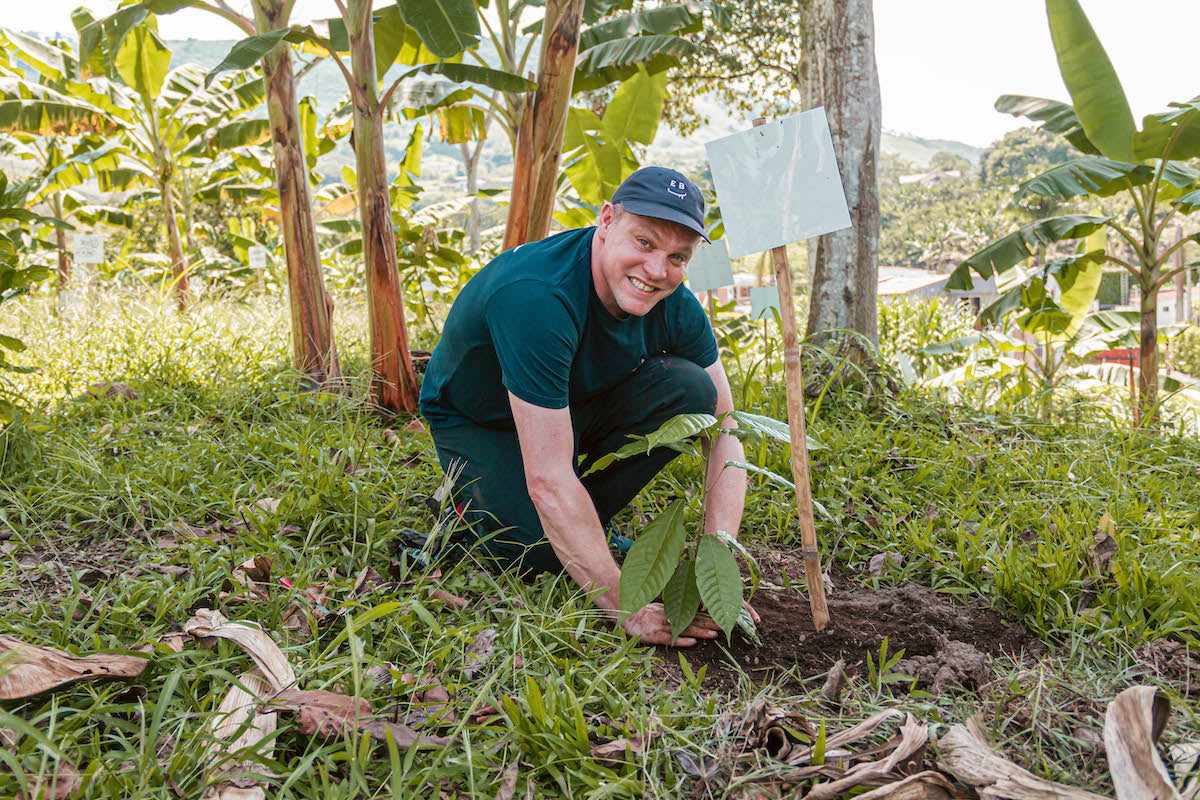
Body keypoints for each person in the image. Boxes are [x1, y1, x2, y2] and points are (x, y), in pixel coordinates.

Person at [419, 166, 756, 646]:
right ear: (606, 221)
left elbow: (725, 429)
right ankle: (473, 509)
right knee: (531, 553)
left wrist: (720, 565)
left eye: (676, 256)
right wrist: (625, 601)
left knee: (693, 394)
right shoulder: (536, 297)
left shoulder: (675, 303)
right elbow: (548, 480)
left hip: (570, 403)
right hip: (482, 417)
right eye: (644, 242)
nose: (657, 271)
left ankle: (582, 525)